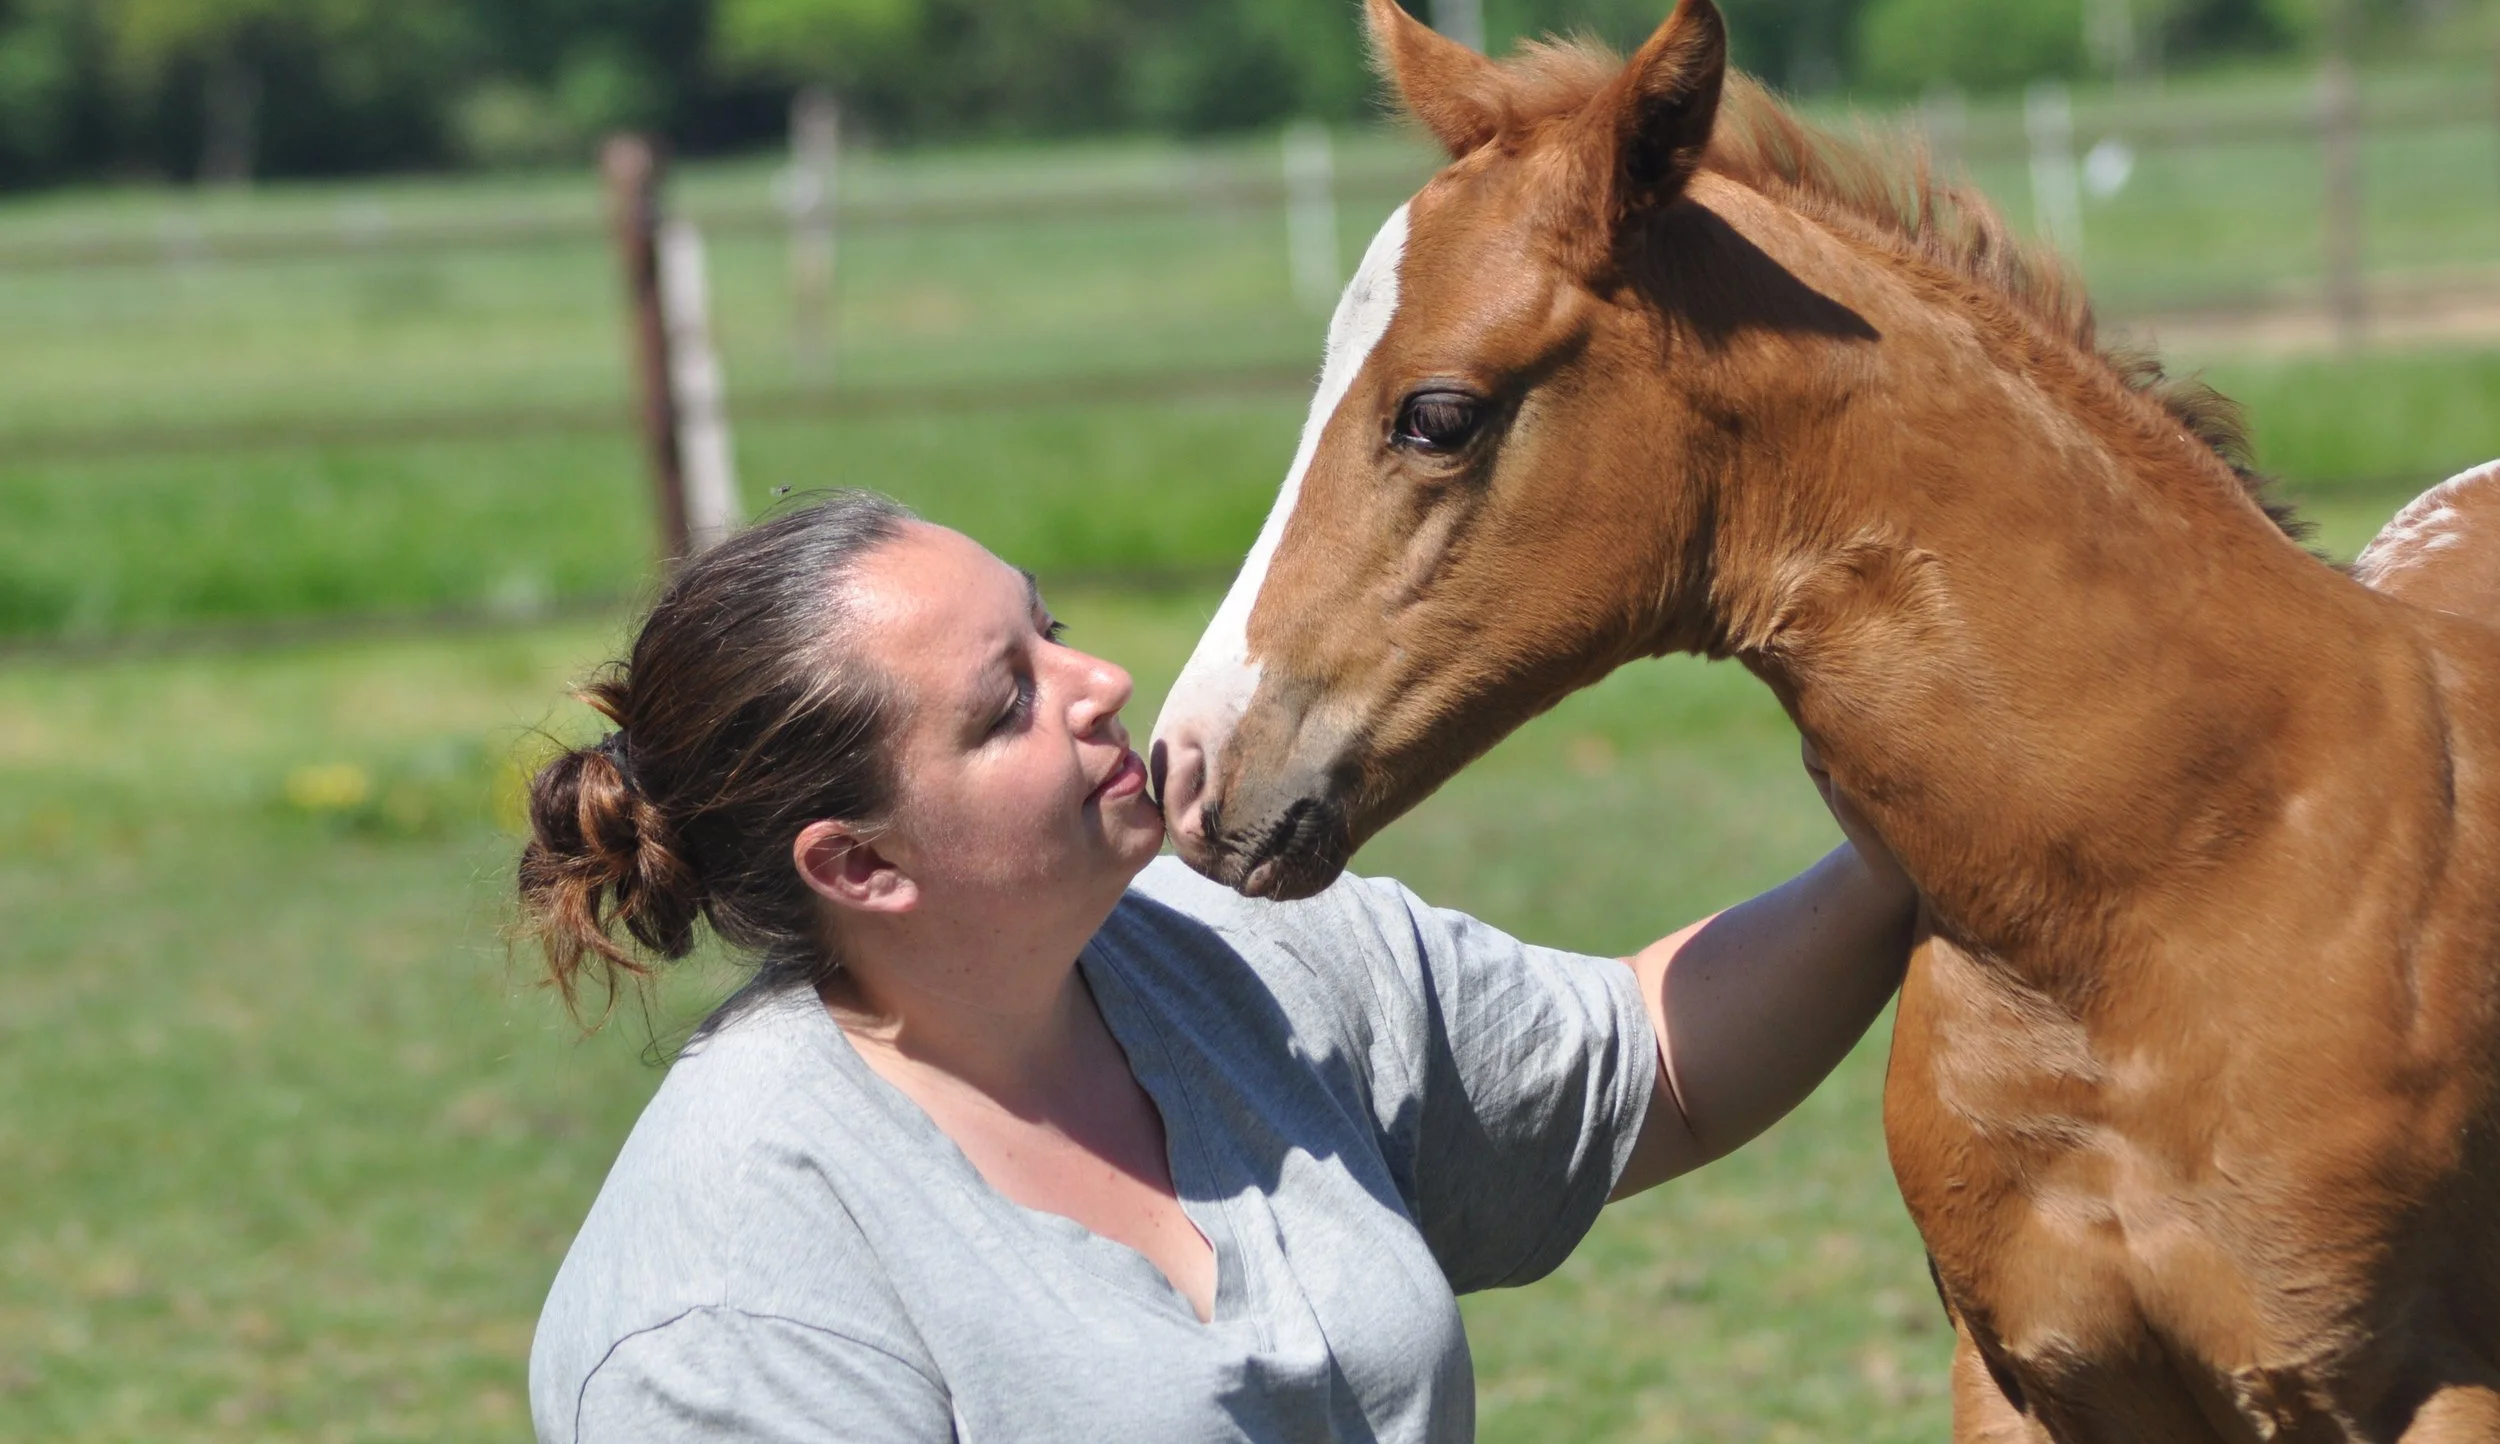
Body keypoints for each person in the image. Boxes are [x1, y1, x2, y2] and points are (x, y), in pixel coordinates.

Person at [519, 491, 1917, 1444]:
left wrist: (1918, 850)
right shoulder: (727, 1296)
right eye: (1008, 704)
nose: (1099, 682)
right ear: (861, 868)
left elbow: (1651, 1073)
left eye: (1048, 633)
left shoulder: (1242, 945)